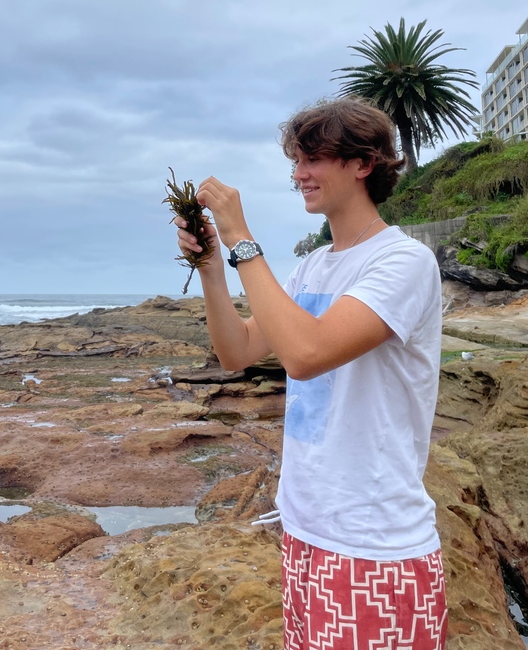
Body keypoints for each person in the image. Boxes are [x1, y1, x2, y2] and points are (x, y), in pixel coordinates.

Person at [175, 98, 447, 650]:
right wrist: (209, 266)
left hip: (376, 546)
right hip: (305, 529)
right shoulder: (312, 266)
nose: (298, 174)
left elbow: (306, 354)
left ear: (363, 163)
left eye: (312, 159)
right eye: (295, 161)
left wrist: (240, 238)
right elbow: (237, 351)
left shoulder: (403, 262)